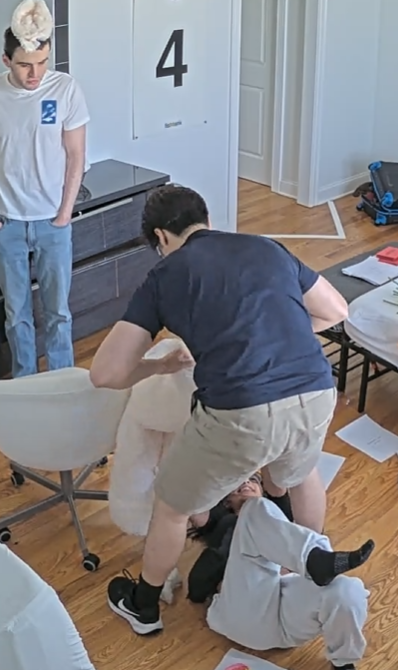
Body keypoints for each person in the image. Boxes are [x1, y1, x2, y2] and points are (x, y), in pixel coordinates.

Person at [89, 184, 349, 635]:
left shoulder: (165, 275)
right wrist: (274, 337)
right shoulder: (265, 247)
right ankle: (307, 567)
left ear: (160, 237)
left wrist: (160, 365)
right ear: (205, 220)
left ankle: (144, 606)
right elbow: (336, 310)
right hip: (316, 390)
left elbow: (106, 373)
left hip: (242, 411)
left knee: (172, 506)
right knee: (298, 475)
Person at [0, 0, 89, 377]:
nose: (35, 74)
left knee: (58, 312)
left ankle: (62, 381)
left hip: (53, 221)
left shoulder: (66, 89)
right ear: (6, 60)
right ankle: (25, 384)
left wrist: (64, 213)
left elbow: (76, 156)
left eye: (42, 63)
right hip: (6, 222)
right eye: (24, 65)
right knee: (16, 313)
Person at [187, 473, 373, 670]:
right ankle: (315, 559)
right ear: (225, 502)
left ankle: (344, 661)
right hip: (244, 612)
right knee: (254, 509)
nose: (245, 482)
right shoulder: (225, 529)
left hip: (286, 622)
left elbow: (288, 482)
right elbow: (196, 587)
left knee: (348, 589)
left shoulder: (283, 522)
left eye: (252, 479)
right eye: (236, 483)